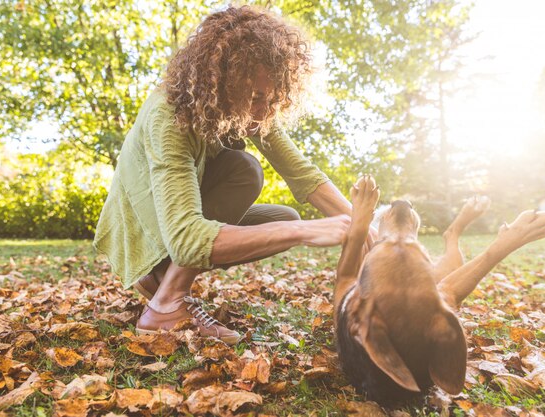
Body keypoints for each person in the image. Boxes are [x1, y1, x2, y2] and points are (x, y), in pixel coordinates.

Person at [93, 5, 372, 344]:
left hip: (179, 225)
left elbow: (303, 176)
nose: (263, 112)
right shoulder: (168, 117)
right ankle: (164, 302)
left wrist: (366, 230)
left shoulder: (248, 111)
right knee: (247, 172)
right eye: (255, 98)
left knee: (282, 215)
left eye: (272, 100)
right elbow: (186, 240)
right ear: (224, 82)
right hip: (145, 232)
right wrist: (304, 231)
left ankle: (164, 281)